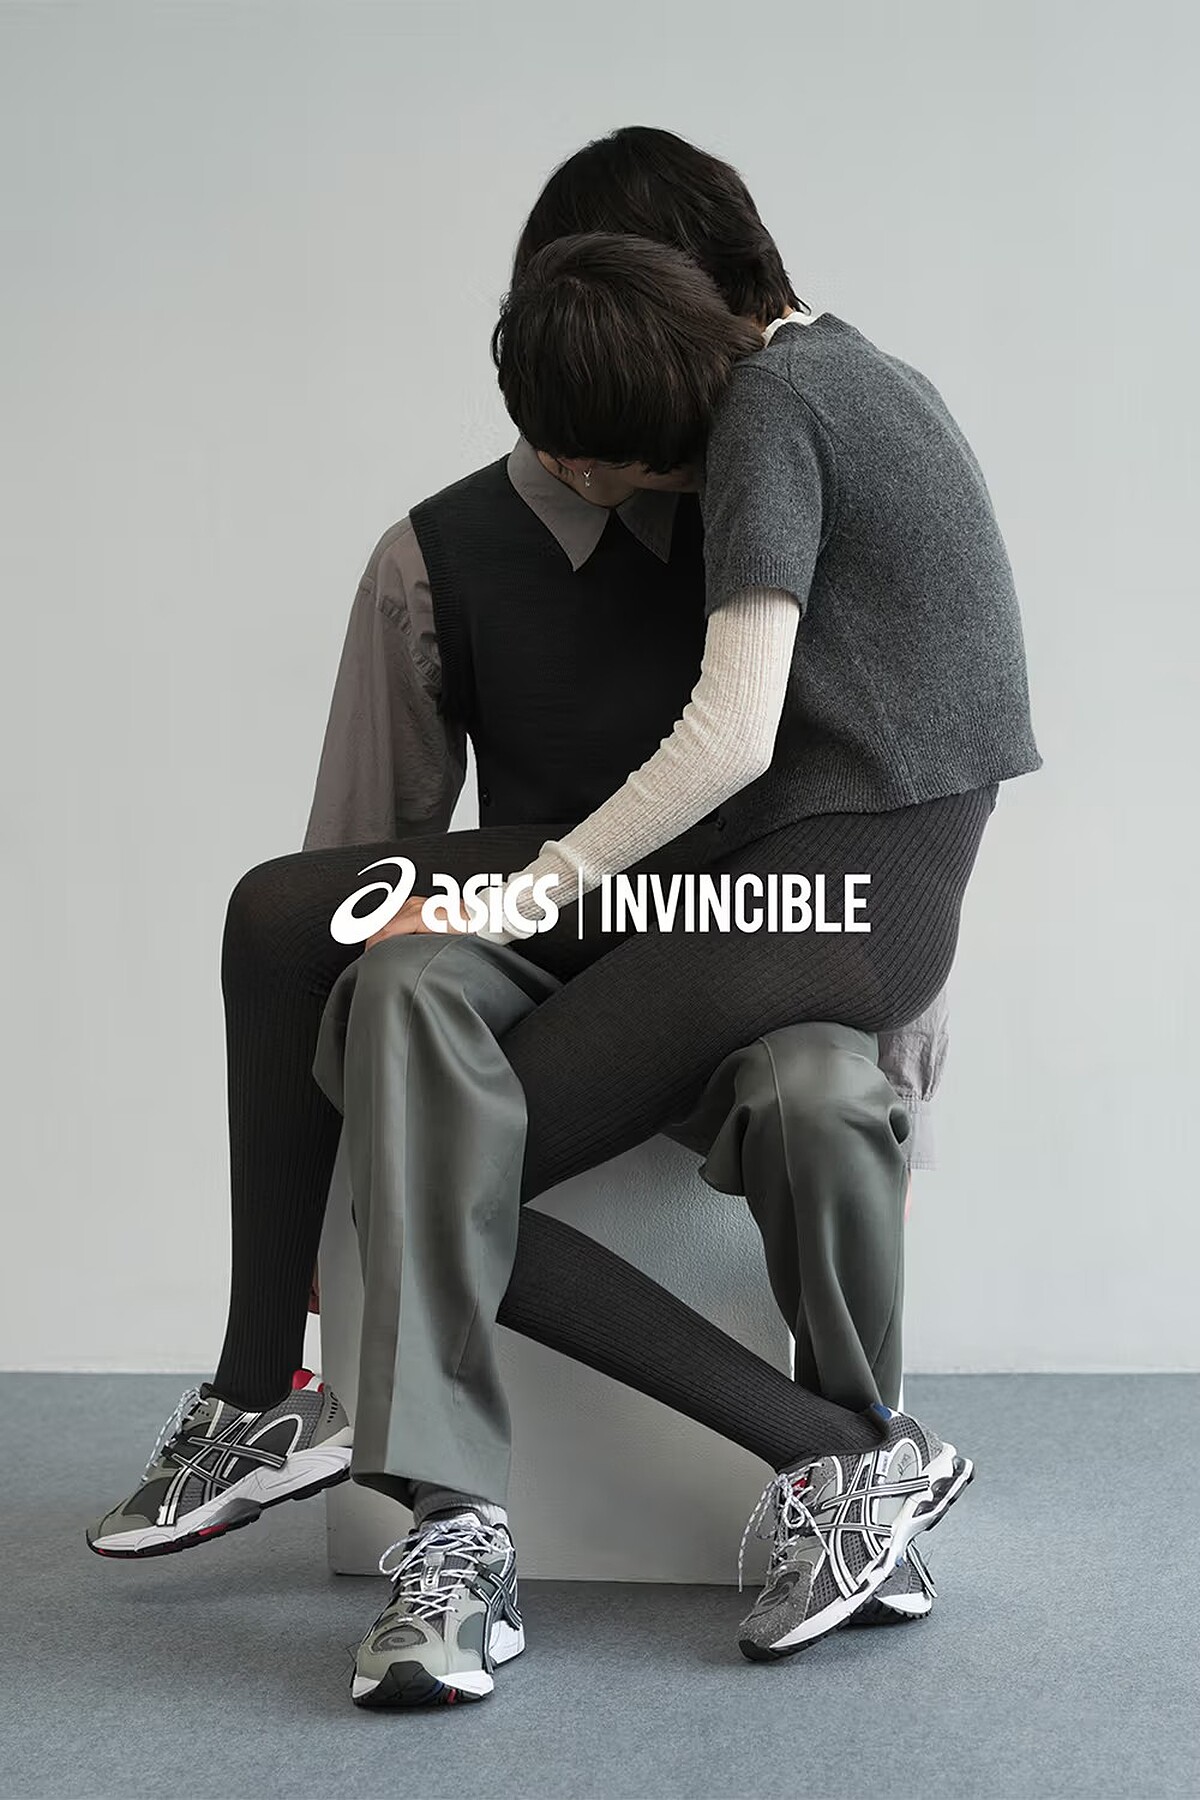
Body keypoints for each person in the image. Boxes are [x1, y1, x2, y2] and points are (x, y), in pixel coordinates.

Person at [87, 128, 1038, 1706]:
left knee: (445, 1170)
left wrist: (525, 893)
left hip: (803, 891)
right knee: (299, 931)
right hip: (801, 880)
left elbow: (734, 736)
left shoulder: (776, 410)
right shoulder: (861, 377)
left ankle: (841, 1458)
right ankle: (273, 1393)